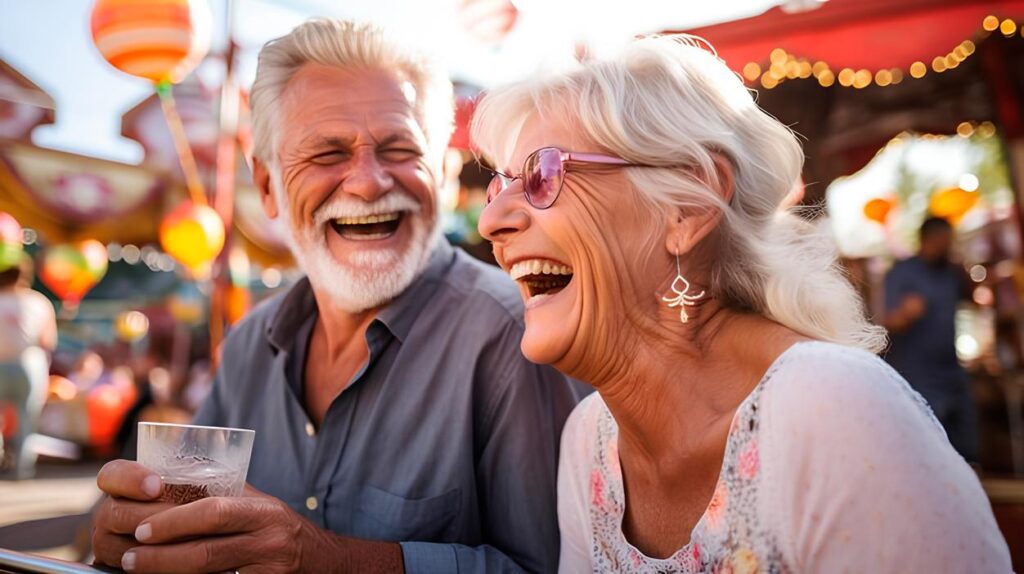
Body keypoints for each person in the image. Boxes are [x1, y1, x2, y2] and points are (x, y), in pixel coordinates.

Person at [473, 35, 1011, 572]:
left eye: (544, 174)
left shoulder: (832, 408)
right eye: (500, 187)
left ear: (686, 206)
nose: (490, 223)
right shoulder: (589, 443)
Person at [91, 19, 578, 573]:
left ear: (442, 174)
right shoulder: (252, 345)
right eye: (327, 154)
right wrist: (136, 535)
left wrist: (326, 560)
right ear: (269, 185)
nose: (368, 183)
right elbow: (181, 521)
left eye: (399, 150)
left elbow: (558, 567)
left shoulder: (517, 337)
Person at [883, 216, 978, 461]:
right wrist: (905, 314)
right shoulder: (903, 272)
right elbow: (886, 321)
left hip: (951, 371)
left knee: (965, 444)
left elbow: (975, 299)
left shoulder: (950, 272)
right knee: (931, 446)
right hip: (918, 374)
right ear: (929, 240)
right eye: (944, 241)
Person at [0, 256, 57, 479]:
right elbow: (48, 341)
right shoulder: (39, 302)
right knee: (28, 418)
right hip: (29, 364)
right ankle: (22, 469)